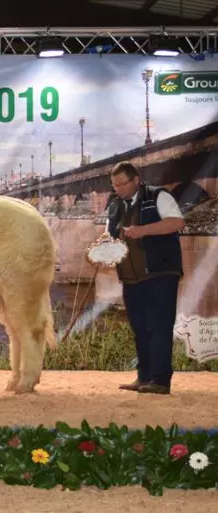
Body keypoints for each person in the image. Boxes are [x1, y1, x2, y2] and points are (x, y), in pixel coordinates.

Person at [106, 161, 185, 395]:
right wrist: (102, 254)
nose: (117, 189)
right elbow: (112, 238)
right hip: (131, 277)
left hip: (160, 273)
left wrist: (143, 230)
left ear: (136, 180)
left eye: (121, 184)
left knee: (159, 326)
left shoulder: (158, 196)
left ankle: (160, 381)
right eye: (114, 185)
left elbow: (177, 222)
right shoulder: (115, 206)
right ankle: (145, 377)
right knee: (140, 328)